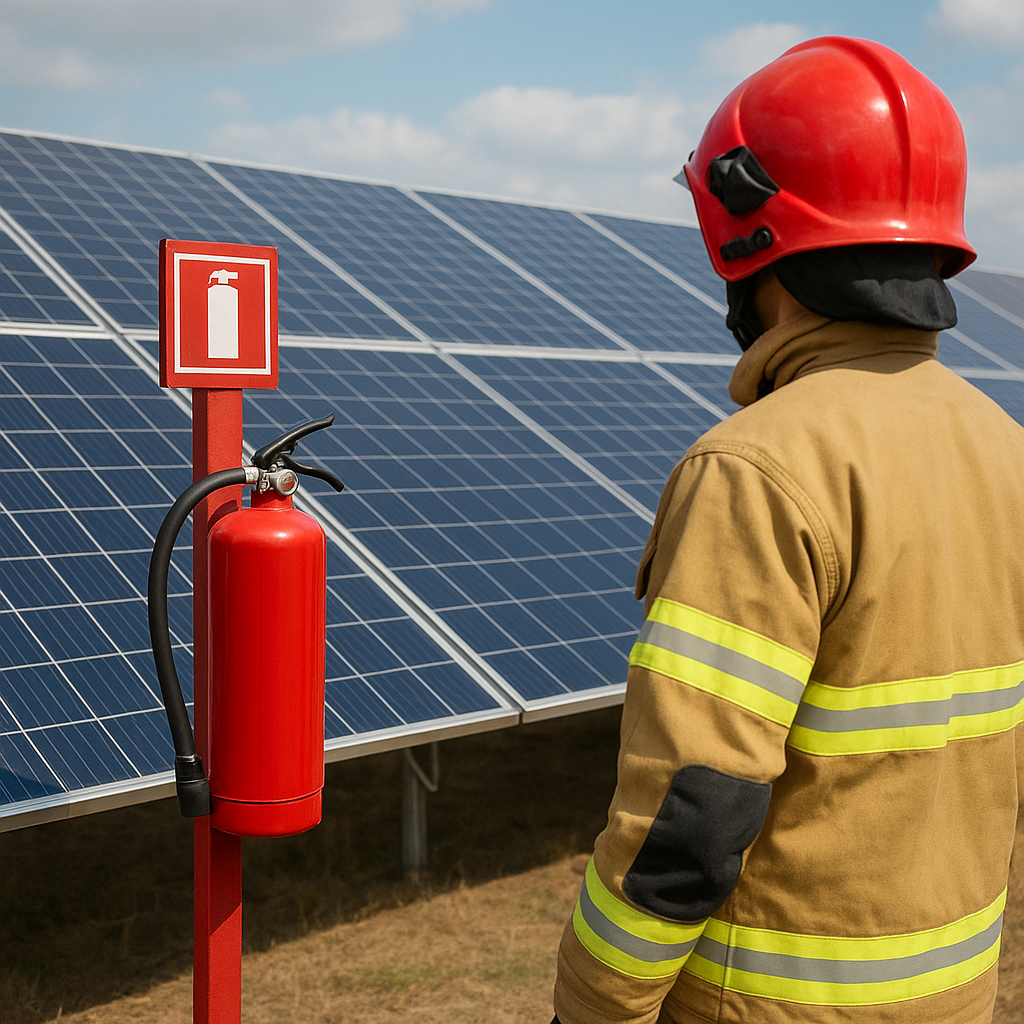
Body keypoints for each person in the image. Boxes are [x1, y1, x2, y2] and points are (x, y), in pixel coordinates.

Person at [551, 35, 1024, 1024]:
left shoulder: (756, 468)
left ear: (750, 239)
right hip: (953, 998)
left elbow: (693, 809)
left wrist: (593, 1005)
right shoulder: (1002, 444)